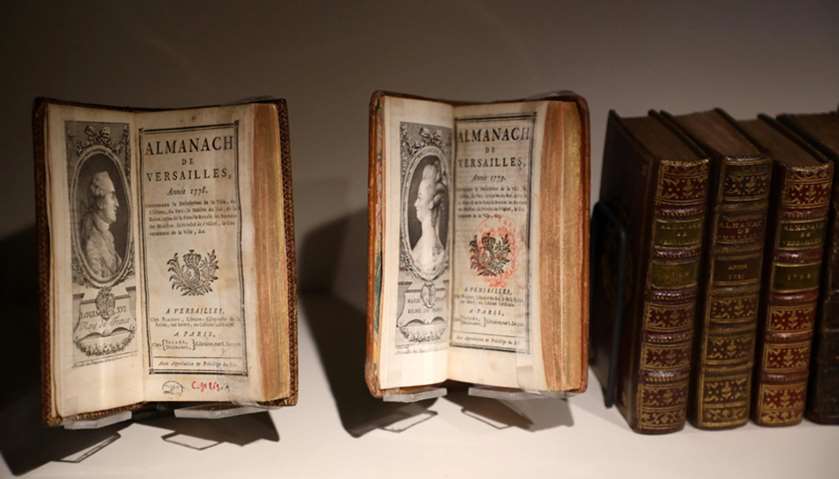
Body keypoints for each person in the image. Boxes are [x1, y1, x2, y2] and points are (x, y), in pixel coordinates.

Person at [80, 171, 122, 279]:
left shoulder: (108, 236)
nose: (117, 204)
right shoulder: (91, 242)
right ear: (100, 202)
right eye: (112, 197)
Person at [411, 161, 447, 275]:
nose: (415, 204)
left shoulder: (434, 254)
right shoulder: (420, 247)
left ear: (431, 204)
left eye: (420, 197)